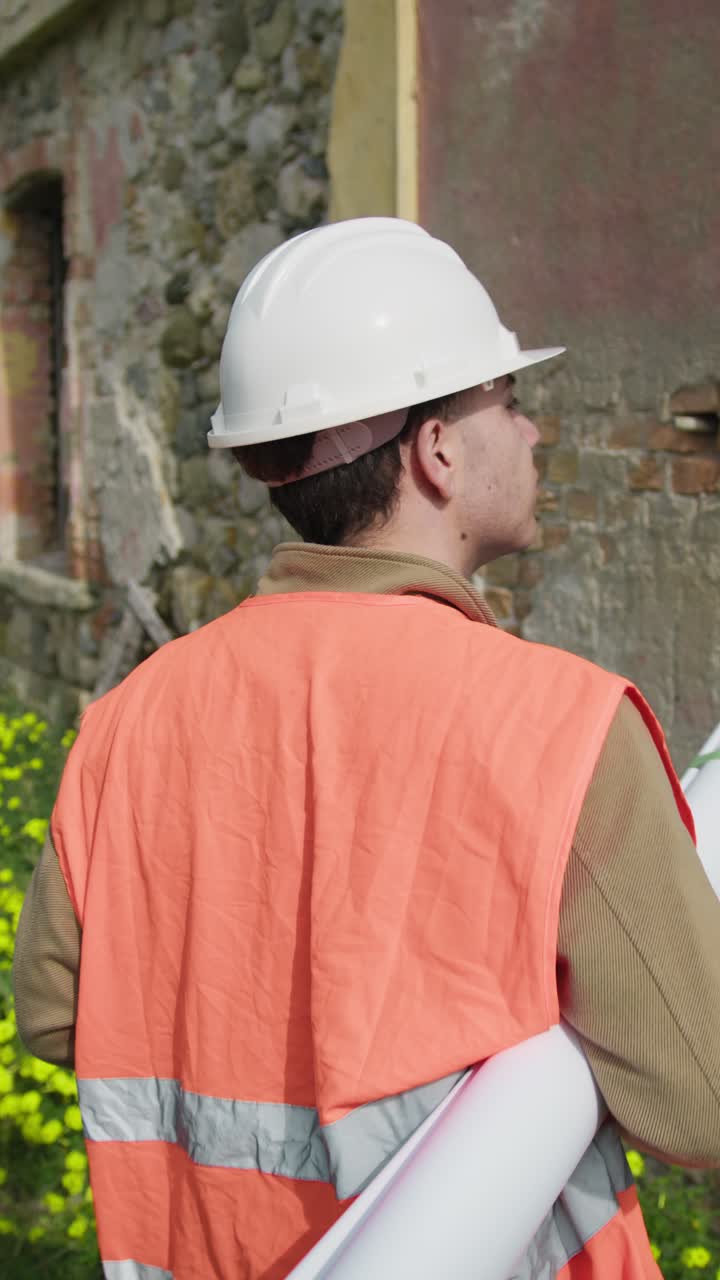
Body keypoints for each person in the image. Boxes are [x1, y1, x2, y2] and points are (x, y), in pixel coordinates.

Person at [13, 218, 720, 1280]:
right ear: (437, 450)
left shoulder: (126, 721)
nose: (532, 434)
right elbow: (700, 1102)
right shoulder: (561, 727)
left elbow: (58, 1015)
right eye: (510, 403)